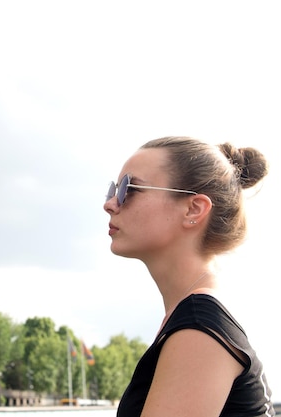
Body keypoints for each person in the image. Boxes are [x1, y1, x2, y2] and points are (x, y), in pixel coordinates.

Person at [103, 136, 274, 417]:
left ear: (194, 209)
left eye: (127, 189)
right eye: (112, 189)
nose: (110, 204)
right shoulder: (194, 319)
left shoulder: (198, 328)